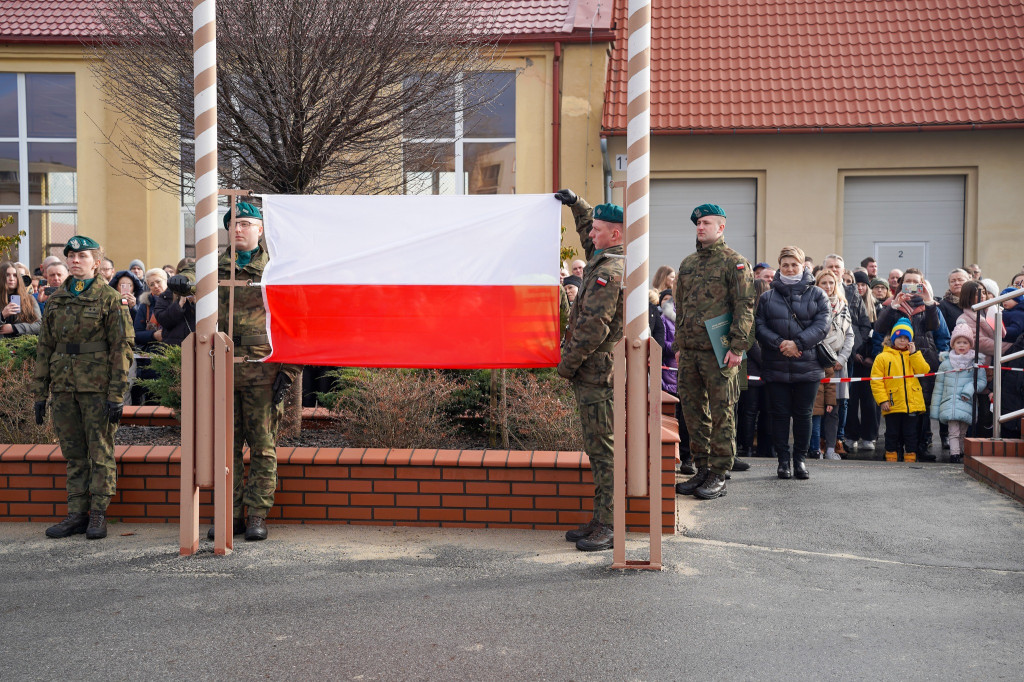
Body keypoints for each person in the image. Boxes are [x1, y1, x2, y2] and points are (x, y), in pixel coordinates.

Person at [169, 202, 301, 542]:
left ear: (260, 229)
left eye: (246, 223)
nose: (239, 229)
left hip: (262, 368)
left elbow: (294, 323)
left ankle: (256, 514)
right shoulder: (215, 269)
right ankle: (230, 513)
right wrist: (184, 286)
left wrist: (288, 372)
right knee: (225, 448)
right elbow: (199, 295)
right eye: (233, 224)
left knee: (262, 445)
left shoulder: (275, 269)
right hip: (222, 367)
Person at [32, 236, 134, 540]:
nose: (75, 260)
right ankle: (77, 513)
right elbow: (45, 346)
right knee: (74, 453)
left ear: (96, 262)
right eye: (71, 256)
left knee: (100, 451)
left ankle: (98, 513)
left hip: (97, 388)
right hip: (64, 387)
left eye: (82, 256)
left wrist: (117, 395)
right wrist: (40, 393)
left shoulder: (111, 299)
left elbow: (123, 347)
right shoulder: (57, 298)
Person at [553, 188, 625, 551]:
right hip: (593, 372)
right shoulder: (602, 258)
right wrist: (577, 204)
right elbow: (586, 230)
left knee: (604, 450)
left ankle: (609, 524)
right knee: (597, 448)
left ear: (616, 234)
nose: (590, 235)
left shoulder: (609, 272)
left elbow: (593, 326)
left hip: (598, 373)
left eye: (598, 230)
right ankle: (601, 518)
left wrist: (566, 365)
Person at [672, 203, 755, 500]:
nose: (700, 227)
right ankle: (703, 469)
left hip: (720, 352)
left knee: (722, 412)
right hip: (691, 351)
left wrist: (737, 348)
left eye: (706, 223)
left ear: (721, 228)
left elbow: (745, 307)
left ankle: (719, 472)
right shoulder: (688, 264)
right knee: (694, 413)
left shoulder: (735, 263)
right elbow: (679, 307)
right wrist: (679, 345)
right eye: (698, 223)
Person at [755, 246, 830, 480]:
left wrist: (798, 343)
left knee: (803, 415)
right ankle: (783, 461)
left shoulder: (817, 294)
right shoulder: (767, 296)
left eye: (794, 264)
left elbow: (823, 325)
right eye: (785, 264)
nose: (789, 268)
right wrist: (780, 343)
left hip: (807, 365)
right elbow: (759, 326)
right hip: (776, 364)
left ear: (802, 266)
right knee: (778, 414)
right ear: (779, 266)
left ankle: (800, 461)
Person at [822, 254, 871, 454]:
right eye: (830, 266)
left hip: (846, 356)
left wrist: (848, 351)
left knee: (842, 400)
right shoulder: (817, 291)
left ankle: (839, 438)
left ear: (843, 271)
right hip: (821, 356)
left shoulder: (852, 293)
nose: (834, 269)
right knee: (820, 400)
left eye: (837, 267)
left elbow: (863, 324)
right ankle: (821, 439)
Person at [810, 269, 854, 460]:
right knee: (817, 407)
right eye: (823, 283)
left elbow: (849, 336)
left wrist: (841, 359)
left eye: (831, 283)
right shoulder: (812, 304)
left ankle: (830, 447)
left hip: (838, 364)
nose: (828, 287)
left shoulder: (843, 306)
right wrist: (825, 357)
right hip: (817, 362)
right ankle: (815, 447)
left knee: (834, 407)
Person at [872, 318, 929, 462]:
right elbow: (877, 382)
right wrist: (883, 400)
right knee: (892, 433)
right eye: (899, 337)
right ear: (893, 338)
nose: (902, 341)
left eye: (906, 338)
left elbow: (924, 370)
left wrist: (914, 354)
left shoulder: (914, 355)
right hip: (892, 403)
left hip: (912, 403)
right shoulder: (882, 357)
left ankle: (910, 456)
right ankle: (891, 456)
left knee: (911, 433)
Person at [930, 323, 986, 463]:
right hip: (950, 404)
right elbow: (938, 388)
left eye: (965, 342)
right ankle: (954, 454)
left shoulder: (975, 364)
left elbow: (981, 381)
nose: (962, 345)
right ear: (952, 344)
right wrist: (935, 409)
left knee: (962, 432)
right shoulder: (945, 364)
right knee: (953, 431)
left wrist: (969, 389)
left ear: (970, 345)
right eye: (958, 342)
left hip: (966, 403)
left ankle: (960, 451)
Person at [735, 278, 773, 459]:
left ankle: (748, 447)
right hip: (762, 371)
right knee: (765, 412)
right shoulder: (766, 314)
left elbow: (750, 344)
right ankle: (765, 448)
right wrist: (769, 364)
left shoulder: (748, 314)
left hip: (749, 370)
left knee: (748, 412)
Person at [1, 260, 42, 337]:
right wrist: (2, 316)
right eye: (7, 275)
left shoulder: (29, 299)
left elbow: (39, 325)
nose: (11, 278)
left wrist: (14, 328)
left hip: (22, 346)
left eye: (15, 275)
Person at [133, 269, 166, 349]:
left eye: (158, 282)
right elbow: (136, 334)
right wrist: (153, 335)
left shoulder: (176, 301)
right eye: (152, 284)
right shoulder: (145, 304)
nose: (156, 286)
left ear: (166, 280)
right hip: (151, 353)